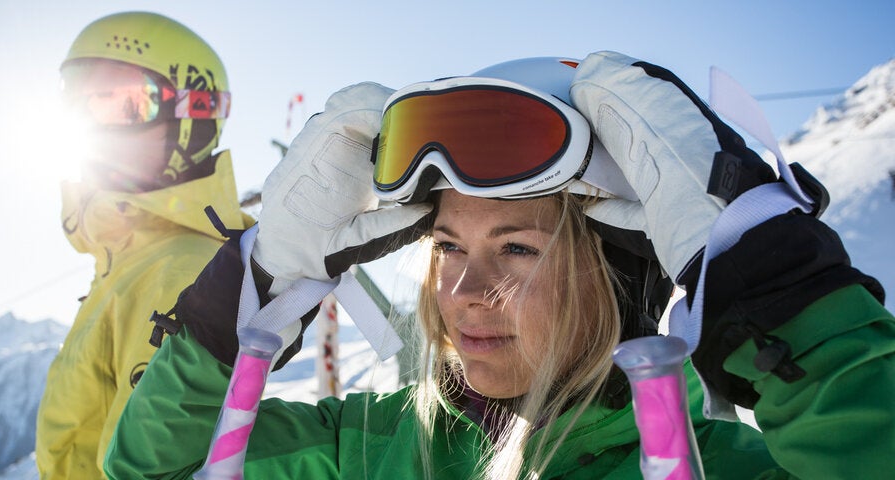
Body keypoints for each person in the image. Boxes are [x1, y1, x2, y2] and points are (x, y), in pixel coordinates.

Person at [104, 52, 894, 479]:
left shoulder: (722, 466)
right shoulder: (368, 448)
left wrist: (773, 277)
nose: (462, 292)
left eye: (516, 247)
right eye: (447, 246)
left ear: (621, 278)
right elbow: (151, 472)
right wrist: (260, 279)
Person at [35, 11, 254, 479]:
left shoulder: (181, 273)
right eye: (80, 105)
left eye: (123, 106)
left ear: (193, 114)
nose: (94, 128)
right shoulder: (125, 258)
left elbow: (140, 466)